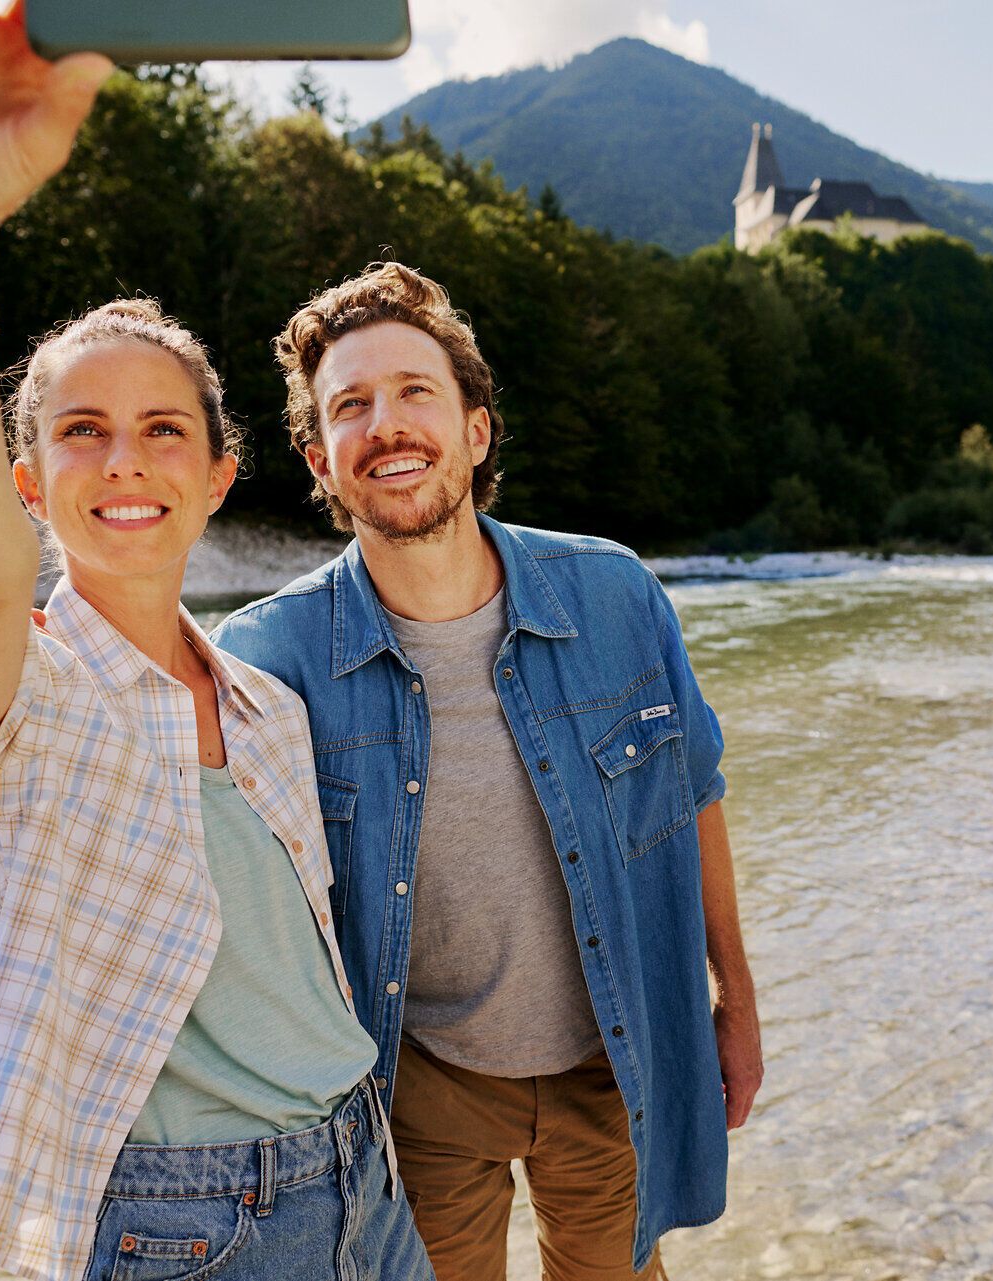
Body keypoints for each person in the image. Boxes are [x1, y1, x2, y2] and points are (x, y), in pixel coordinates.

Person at [0, 5, 433, 1278]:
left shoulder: (267, 703)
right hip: (183, 1226)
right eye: (80, 431)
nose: (125, 458)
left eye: (165, 429)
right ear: (27, 480)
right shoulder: (30, 693)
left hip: (362, 1175)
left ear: (222, 475)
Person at [212, 262, 763, 1281]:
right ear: (320, 460)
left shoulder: (616, 595)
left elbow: (694, 794)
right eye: (352, 407)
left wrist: (735, 1004)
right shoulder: (266, 657)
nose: (389, 424)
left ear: (476, 428)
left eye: (416, 391)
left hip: (615, 1057)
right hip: (416, 1082)